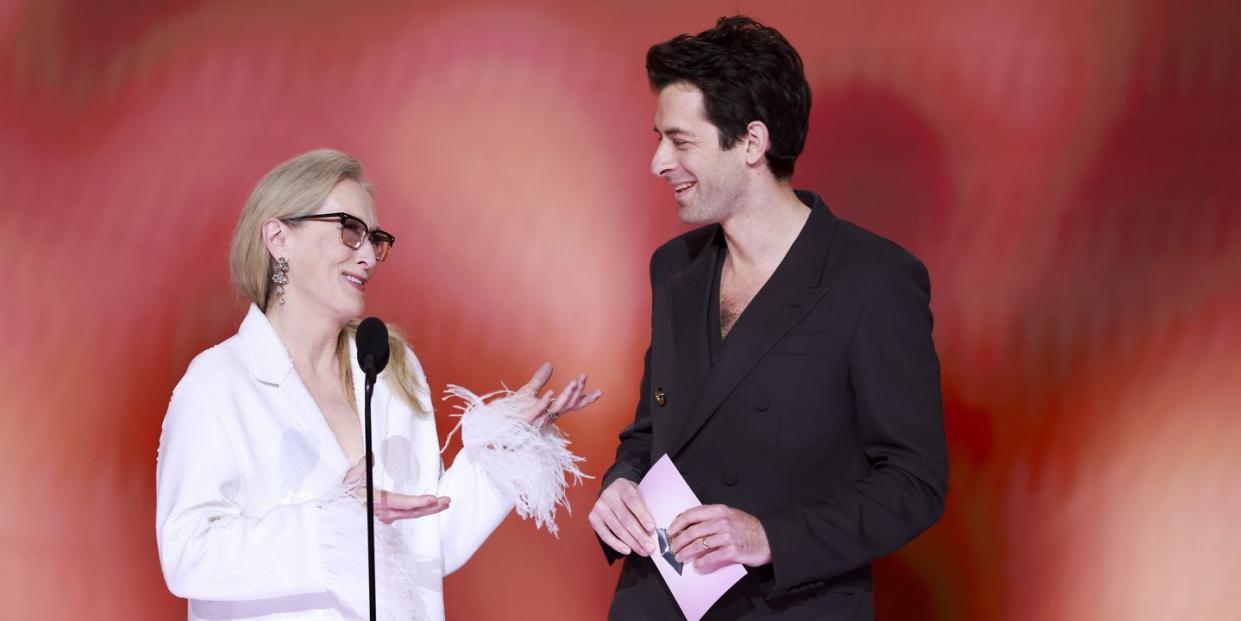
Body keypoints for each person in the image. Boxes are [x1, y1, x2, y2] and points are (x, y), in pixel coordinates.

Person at [589, 16, 948, 619]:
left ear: (752, 143)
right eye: (659, 138)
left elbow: (914, 483)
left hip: (789, 604)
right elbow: (651, 431)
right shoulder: (673, 269)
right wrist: (619, 485)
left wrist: (770, 537)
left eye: (680, 141)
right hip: (656, 601)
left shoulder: (875, 280)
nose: (657, 162)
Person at [156, 149, 600, 620]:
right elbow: (188, 552)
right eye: (349, 230)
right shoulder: (218, 383)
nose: (368, 255)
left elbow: (428, 544)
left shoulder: (389, 369)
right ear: (279, 237)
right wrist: (332, 528)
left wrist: (509, 443)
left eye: (375, 239)